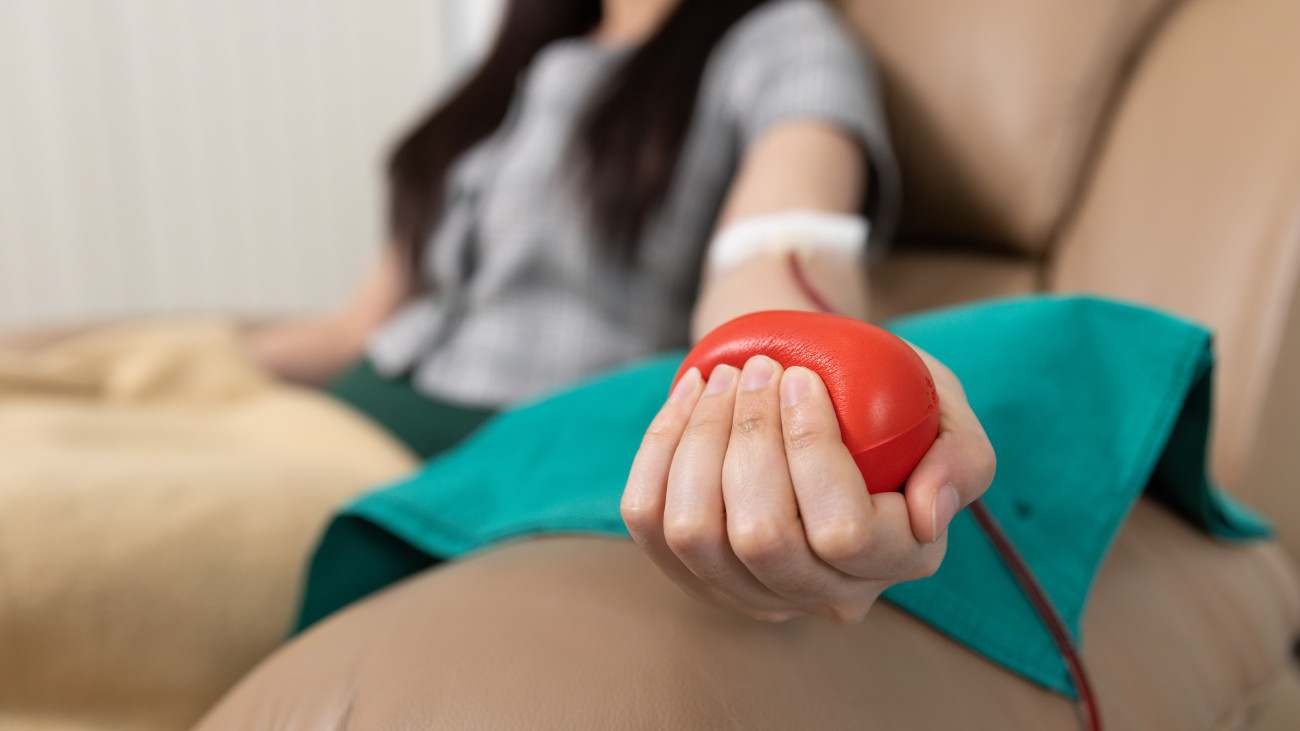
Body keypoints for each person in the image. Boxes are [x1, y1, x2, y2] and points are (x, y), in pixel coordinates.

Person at [24, 0, 997, 627]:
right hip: (337, 401)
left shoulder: (782, 41)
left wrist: (810, 362)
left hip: (442, 459)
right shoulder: (511, 66)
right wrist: (128, 363)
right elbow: (353, 328)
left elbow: (779, 253)